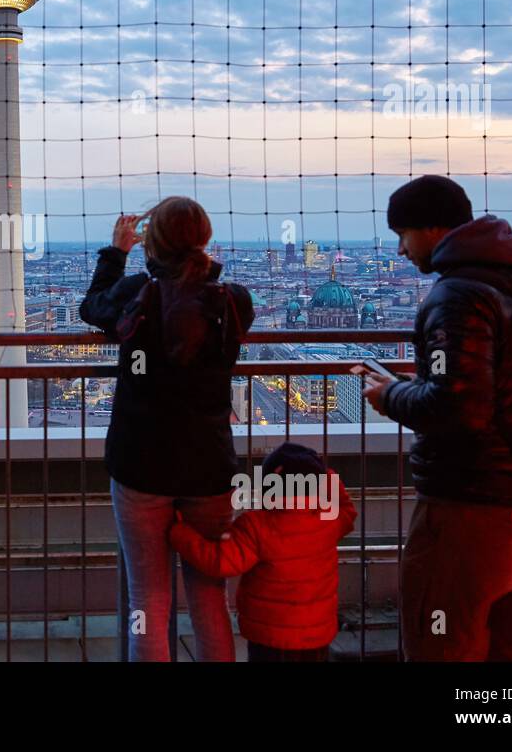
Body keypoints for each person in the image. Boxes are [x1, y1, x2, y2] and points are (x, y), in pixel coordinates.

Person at [357, 175, 512, 662]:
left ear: (431, 229)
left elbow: (456, 408)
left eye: (402, 235)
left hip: (473, 509)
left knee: (444, 644)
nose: (401, 250)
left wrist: (391, 395)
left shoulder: (457, 295)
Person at [80, 196, 255, 661]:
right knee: (209, 596)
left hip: (142, 464)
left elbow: (92, 308)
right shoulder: (232, 301)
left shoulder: (138, 293)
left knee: (148, 601)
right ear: (206, 239)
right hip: (209, 467)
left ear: (149, 245)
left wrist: (116, 253)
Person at [169, 442, 356, 662]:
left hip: (268, 638)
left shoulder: (257, 526)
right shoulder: (327, 519)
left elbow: (220, 561)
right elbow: (348, 511)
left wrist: (180, 533)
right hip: (316, 637)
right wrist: (326, 475)